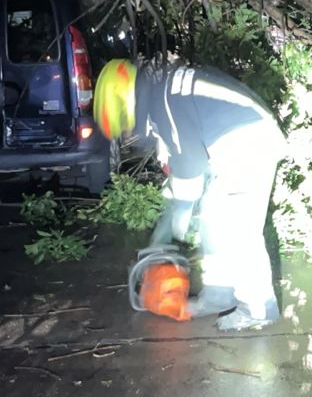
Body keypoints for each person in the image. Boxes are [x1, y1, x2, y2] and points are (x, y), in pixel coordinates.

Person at [96, 59, 285, 331]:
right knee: (213, 217)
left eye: (125, 126)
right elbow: (182, 162)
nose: (128, 134)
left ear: (126, 104)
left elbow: (190, 168)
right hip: (243, 139)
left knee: (236, 227)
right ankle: (220, 293)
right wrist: (174, 216)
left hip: (248, 141)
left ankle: (258, 308)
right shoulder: (162, 92)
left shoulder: (165, 100)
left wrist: (175, 227)